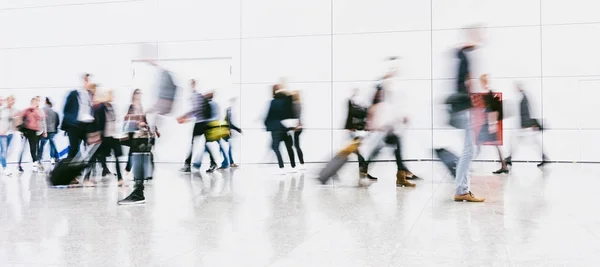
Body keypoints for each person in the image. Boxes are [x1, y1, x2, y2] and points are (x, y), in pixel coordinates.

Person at [119, 63, 174, 205]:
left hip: (144, 136)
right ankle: (138, 191)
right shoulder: (134, 106)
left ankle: (138, 192)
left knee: (141, 157)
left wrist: (152, 127)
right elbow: (129, 120)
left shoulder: (162, 80)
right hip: (138, 136)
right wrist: (140, 124)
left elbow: (159, 109)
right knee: (138, 157)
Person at [359, 72, 416, 188]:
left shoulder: (387, 93)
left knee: (392, 150)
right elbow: (390, 107)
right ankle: (401, 177)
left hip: (391, 125)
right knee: (393, 150)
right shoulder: (387, 92)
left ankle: (365, 169)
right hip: (390, 125)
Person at [451, 26, 485, 202]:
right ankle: (461, 190)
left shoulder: (460, 56)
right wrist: (474, 104)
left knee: (470, 148)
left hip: (462, 107)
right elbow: (468, 83)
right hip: (464, 108)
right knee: (469, 149)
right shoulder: (464, 56)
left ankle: (462, 188)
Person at [84, 89, 125, 186]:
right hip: (103, 137)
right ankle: (87, 178)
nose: (112, 96)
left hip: (112, 136)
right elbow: (97, 123)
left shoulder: (111, 107)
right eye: (110, 94)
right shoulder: (100, 107)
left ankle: (120, 178)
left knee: (117, 157)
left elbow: (115, 121)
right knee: (93, 158)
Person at [505, 82, 549, 167]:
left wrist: (528, 124)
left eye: (516, 86)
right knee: (520, 142)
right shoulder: (523, 96)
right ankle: (509, 158)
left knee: (532, 142)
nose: (515, 88)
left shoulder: (522, 97)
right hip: (525, 126)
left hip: (525, 126)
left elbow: (526, 112)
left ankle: (544, 157)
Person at [177, 79, 214, 173]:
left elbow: (196, 109)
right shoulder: (198, 95)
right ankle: (213, 162)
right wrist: (187, 118)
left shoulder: (194, 95)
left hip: (200, 123)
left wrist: (184, 116)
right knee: (204, 143)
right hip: (204, 123)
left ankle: (187, 165)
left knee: (193, 144)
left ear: (192, 85)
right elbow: (198, 110)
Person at [345, 88, 377, 181]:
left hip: (357, 131)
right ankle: (363, 173)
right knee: (359, 154)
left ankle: (363, 174)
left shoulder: (358, 105)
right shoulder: (350, 104)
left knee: (361, 154)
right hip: (353, 132)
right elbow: (353, 113)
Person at [62, 74, 95, 159]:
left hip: (87, 125)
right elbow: (66, 110)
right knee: (74, 149)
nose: (88, 83)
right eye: (87, 81)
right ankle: (66, 170)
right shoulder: (74, 94)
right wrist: (72, 122)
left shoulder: (90, 95)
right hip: (75, 126)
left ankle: (90, 170)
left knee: (93, 149)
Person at [265, 84, 296, 174]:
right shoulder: (286, 101)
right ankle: (293, 166)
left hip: (276, 128)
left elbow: (269, 115)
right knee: (288, 147)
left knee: (275, 147)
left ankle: (281, 167)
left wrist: (266, 123)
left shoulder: (273, 102)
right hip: (285, 128)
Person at [16, 97, 47, 172]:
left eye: (37, 102)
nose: (36, 103)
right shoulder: (28, 110)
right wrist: (20, 131)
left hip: (37, 131)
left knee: (34, 147)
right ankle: (20, 164)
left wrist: (44, 131)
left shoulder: (40, 111)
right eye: (35, 102)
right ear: (32, 102)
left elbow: (43, 121)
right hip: (28, 131)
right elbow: (20, 117)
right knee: (26, 148)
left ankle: (35, 162)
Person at [124, 88, 144, 176]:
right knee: (133, 150)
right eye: (137, 93)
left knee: (138, 150)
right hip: (132, 130)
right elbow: (127, 118)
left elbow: (143, 117)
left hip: (140, 130)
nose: (139, 95)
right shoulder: (131, 106)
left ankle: (133, 170)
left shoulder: (141, 106)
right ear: (134, 95)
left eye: (140, 93)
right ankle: (128, 170)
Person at [221, 97, 241, 168]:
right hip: (225, 131)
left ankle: (229, 162)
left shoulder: (228, 110)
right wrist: (237, 129)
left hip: (225, 131)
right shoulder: (229, 110)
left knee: (227, 147)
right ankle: (227, 163)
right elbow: (229, 123)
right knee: (225, 148)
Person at [39, 98, 60, 164]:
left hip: (44, 130)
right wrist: (55, 128)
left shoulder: (42, 110)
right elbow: (57, 122)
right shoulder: (54, 112)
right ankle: (52, 158)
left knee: (42, 144)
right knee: (52, 144)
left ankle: (39, 158)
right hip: (52, 130)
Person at [0, 96, 16, 176]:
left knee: (4, 151)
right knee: (4, 151)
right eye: (10, 100)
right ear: (7, 101)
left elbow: (15, 121)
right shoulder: (2, 109)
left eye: (13, 100)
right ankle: (5, 167)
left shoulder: (13, 110)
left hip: (10, 133)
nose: (11, 102)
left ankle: (3, 163)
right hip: (2, 134)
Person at [290, 90, 305, 169]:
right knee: (296, 146)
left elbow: (295, 116)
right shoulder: (299, 103)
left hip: (296, 127)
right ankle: (301, 163)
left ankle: (301, 163)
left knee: (296, 146)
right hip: (299, 126)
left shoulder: (294, 104)